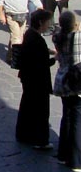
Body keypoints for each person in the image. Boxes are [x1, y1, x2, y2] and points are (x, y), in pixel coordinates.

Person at [16, 9, 55, 149]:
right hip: (38, 80)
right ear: (40, 22)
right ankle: (40, 140)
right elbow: (42, 63)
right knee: (40, 110)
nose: (49, 25)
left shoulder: (29, 34)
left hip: (28, 77)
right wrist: (54, 58)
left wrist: (48, 52)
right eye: (47, 22)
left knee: (28, 106)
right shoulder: (37, 40)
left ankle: (24, 134)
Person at [0, 0, 42, 69]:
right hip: (11, 14)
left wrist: (40, 7)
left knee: (17, 37)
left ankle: (9, 56)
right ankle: (16, 61)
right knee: (17, 39)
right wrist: (1, 14)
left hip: (23, 14)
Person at [55, 10, 81, 171]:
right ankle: (76, 159)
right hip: (77, 81)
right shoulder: (76, 37)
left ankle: (63, 154)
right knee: (77, 119)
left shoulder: (58, 36)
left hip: (63, 80)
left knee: (67, 117)